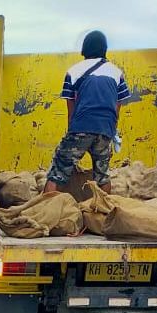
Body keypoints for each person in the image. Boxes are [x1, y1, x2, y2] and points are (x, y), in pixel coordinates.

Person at [44, 30, 130, 194]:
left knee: (58, 172)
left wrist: (72, 130)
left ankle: (46, 209)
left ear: (85, 48)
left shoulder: (73, 71)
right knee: (102, 176)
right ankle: (104, 211)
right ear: (104, 48)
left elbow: (71, 106)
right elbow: (118, 104)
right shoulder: (117, 73)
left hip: (81, 127)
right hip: (106, 130)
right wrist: (111, 128)